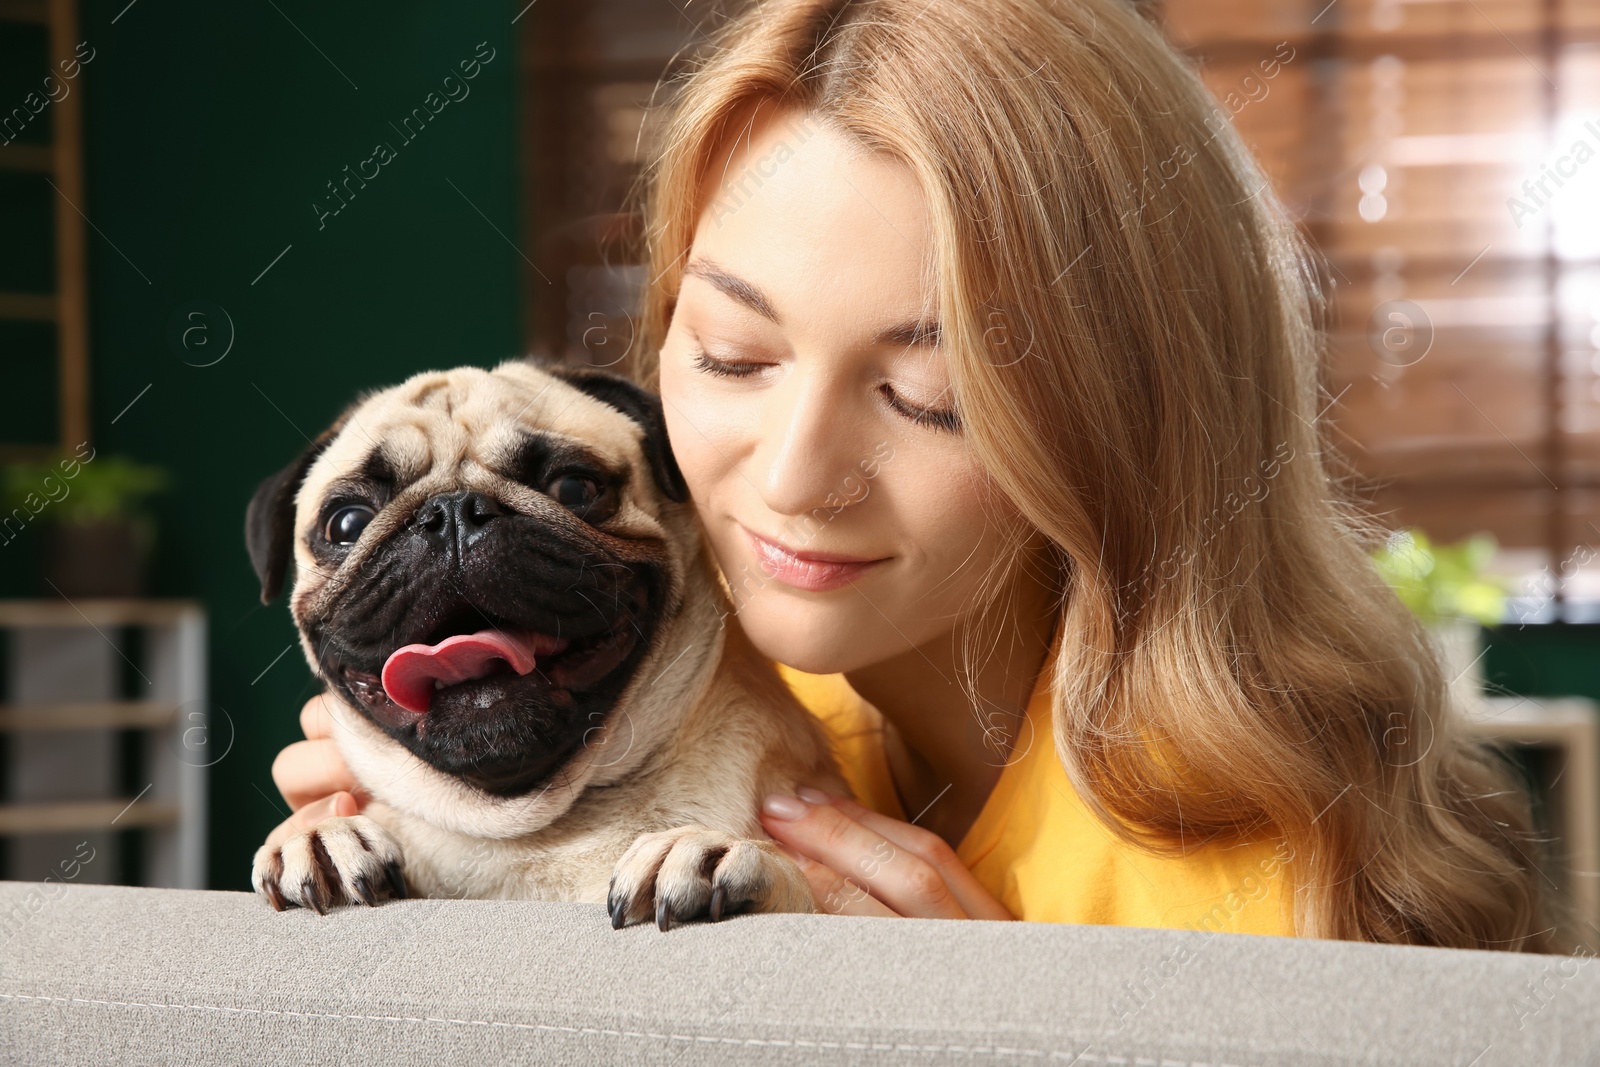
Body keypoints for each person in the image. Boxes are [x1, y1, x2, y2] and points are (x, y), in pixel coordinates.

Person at [268, 0, 1574, 951]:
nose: (793, 473)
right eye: (732, 353)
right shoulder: (755, 713)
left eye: (927, 398)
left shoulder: (1253, 892)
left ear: (1118, 423)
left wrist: (995, 1028)